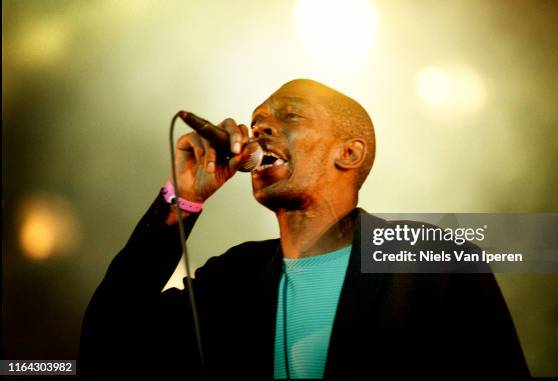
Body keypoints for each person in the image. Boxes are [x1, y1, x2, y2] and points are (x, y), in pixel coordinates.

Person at [80, 79, 530, 379]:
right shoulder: (233, 278)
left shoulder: (427, 261)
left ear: (349, 154)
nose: (259, 131)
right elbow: (108, 346)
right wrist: (182, 199)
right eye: (256, 123)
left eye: (289, 117)